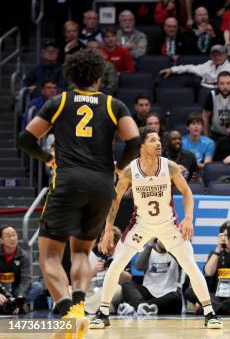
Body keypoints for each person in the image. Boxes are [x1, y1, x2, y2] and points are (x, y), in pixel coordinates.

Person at [17, 49, 141, 333]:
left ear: (70, 76)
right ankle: (80, 304)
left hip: (68, 181)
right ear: (99, 77)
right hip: (101, 186)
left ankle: (66, 310)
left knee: (49, 255)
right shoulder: (114, 105)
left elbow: (26, 139)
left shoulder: (57, 102)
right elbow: (134, 141)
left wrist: (48, 159)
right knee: (82, 252)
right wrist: (118, 169)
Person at [89, 127, 222, 329]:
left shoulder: (169, 166)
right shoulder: (130, 171)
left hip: (168, 224)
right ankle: (103, 313)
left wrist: (188, 218)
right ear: (142, 145)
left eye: (159, 139)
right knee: (116, 265)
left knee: (191, 265)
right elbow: (114, 201)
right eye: (152, 140)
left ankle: (210, 313)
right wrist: (108, 229)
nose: (159, 143)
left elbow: (186, 192)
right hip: (141, 224)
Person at [0, 226, 41, 315]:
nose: (12, 238)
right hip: (1, 289)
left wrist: (20, 298)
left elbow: (26, 280)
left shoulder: (23, 256)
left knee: (37, 286)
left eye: (14, 235)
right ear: (1, 240)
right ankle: (9, 304)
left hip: (16, 290)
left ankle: (16, 305)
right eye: (8, 236)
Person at [159, 44, 230, 90]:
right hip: (204, 94)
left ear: (226, 55)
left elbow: (222, 85)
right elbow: (190, 67)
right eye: (214, 55)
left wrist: (204, 84)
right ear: (210, 56)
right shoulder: (208, 64)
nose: (217, 57)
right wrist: (172, 69)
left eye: (220, 54)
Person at [202, 71, 230, 140]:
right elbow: (205, 117)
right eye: (222, 83)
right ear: (217, 84)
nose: (225, 86)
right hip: (215, 134)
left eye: (228, 83)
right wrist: (206, 136)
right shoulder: (212, 95)